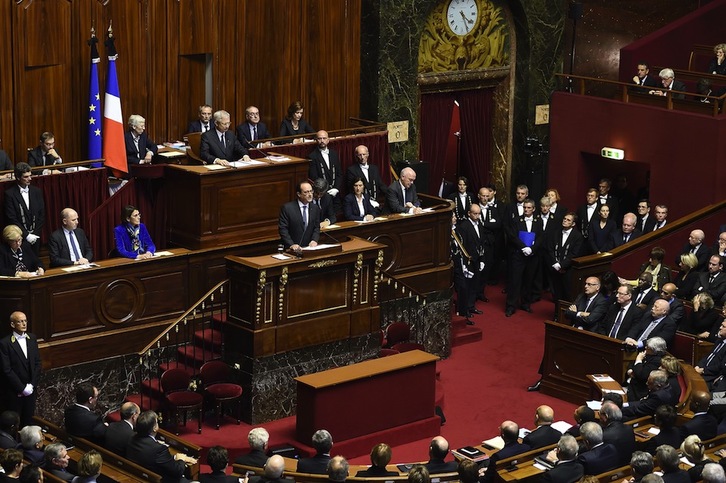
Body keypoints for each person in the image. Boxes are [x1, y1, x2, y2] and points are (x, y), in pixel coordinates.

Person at [126, 410, 197, 483]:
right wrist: (181, 459)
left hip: (140, 476)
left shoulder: (131, 438)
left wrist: (174, 457)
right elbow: (177, 472)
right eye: (157, 422)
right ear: (154, 428)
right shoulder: (159, 449)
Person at [0, 312, 41, 427]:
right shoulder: (5, 343)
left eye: (25, 321)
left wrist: (32, 385)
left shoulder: (32, 338)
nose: (24, 324)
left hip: (31, 390)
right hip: (15, 392)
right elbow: (6, 370)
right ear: (13, 324)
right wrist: (22, 388)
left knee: (29, 421)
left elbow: (37, 363)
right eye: (20, 321)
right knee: (15, 423)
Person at [504, 198, 542, 317]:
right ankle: (511, 306)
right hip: (518, 255)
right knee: (515, 280)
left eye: (529, 208)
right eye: (525, 207)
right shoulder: (516, 220)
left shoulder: (538, 221)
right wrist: (523, 247)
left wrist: (532, 249)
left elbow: (541, 237)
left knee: (528, 280)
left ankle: (525, 303)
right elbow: (512, 237)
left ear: (534, 209)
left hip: (532, 256)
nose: (526, 210)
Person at [4, 163, 45, 255]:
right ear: (18, 177)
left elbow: (41, 215)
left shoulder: (36, 191)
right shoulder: (10, 194)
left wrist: (35, 234)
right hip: (19, 238)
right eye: (26, 177)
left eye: (30, 176)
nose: (30, 179)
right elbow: (11, 218)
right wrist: (26, 235)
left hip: (35, 237)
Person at [455, 203, 485, 324]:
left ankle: (471, 306)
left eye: (479, 213)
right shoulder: (464, 226)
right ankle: (465, 308)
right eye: (475, 213)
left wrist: (482, 259)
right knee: (466, 286)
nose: (477, 216)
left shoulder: (480, 225)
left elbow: (481, 242)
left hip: (477, 259)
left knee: (474, 284)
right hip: (468, 260)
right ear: (469, 213)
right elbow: (463, 245)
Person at [278, 181, 320, 251]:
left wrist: (314, 240)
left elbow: (316, 227)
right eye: (306, 192)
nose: (310, 194)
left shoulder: (315, 208)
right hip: (291, 249)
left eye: (311, 191)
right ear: (299, 194)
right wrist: (291, 244)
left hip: (309, 248)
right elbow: (283, 229)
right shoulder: (288, 208)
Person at [626, 337, 667, 405]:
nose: (645, 348)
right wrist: (630, 370)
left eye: (648, 347)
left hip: (640, 392)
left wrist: (639, 359)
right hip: (632, 387)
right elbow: (632, 363)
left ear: (654, 350)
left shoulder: (657, 361)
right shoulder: (648, 354)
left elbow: (641, 375)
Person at [308, 131, 342, 209]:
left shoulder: (334, 154)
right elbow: (314, 177)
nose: (322, 141)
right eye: (320, 138)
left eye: (324, 138)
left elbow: (339, 174)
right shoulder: (312, 156)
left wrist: (336, 188)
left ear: (328, 140)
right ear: (316, 140)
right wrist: (326, 190)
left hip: (335, 193)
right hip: (322, 194)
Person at [600, 401, 636, 466]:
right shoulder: (629, 428)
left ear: (605, 416)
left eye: (600, 414)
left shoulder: (604, 435)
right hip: (627, 464)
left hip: (612, 467)